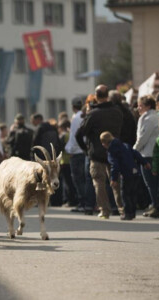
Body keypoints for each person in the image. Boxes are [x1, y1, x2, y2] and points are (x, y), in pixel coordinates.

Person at [76, 85, 123, 219]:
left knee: (99, 183)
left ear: (96, 96)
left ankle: (104, 210)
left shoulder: (93, 114)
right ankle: (122, 208)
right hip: (115, 151)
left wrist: (86, 149)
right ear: (107, 95)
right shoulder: (117, 111)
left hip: (96, 153)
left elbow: (79, 134)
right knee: (115, 182)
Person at [100, 131, 150, 220]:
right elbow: (136, 154)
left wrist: (114, 178)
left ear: (105, 143)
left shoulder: (112, 151)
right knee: (133, 193)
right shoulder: (125, 145)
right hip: (135, 171)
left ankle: (127, 213)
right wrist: (144, 162)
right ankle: (133, 212)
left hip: (126, 173)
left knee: (125, 194)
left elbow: (114, 165)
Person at [134, 95, 159, 217]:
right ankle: (155, 205)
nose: (138, 108)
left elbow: (142, 138)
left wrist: (133, 151)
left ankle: (156, 206)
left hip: (147, 153)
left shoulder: (147, 118)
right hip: (153, 153)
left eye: (140, 105)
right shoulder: (155, 116)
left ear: (148, 106)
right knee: (154, 182)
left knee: (150, 183)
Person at [66, 97, 86, 212]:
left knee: (78, 179)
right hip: (83, 151)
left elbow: (74, 136)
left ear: (73, 107)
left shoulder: (76, 117)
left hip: (77, 151)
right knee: (83, 178)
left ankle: (82, 202)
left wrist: (70, 150)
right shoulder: (82, 116)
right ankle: (85, 202)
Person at [59, 119, 77, 206]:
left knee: (67, 183)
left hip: (64, 161)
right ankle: (75, 200)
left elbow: (60, 148)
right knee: (72, 181)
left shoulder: (63, 135)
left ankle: (70, 200)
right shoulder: (71, 135)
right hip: (72, 160)